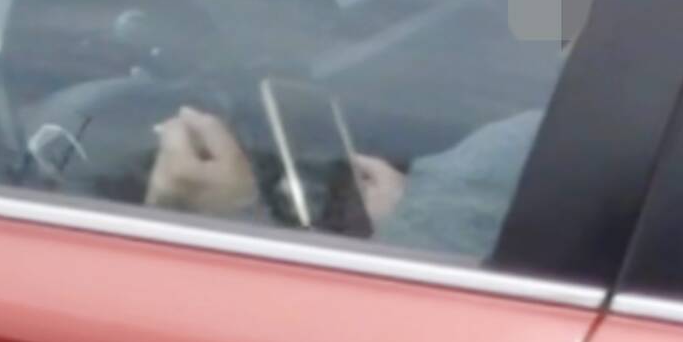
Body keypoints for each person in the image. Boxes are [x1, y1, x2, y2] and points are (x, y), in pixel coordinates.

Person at [145, 105, 543, 260]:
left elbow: (378, 337)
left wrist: (229, 220)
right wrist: (411, 216)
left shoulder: (512, 151)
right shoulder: (543, 138)